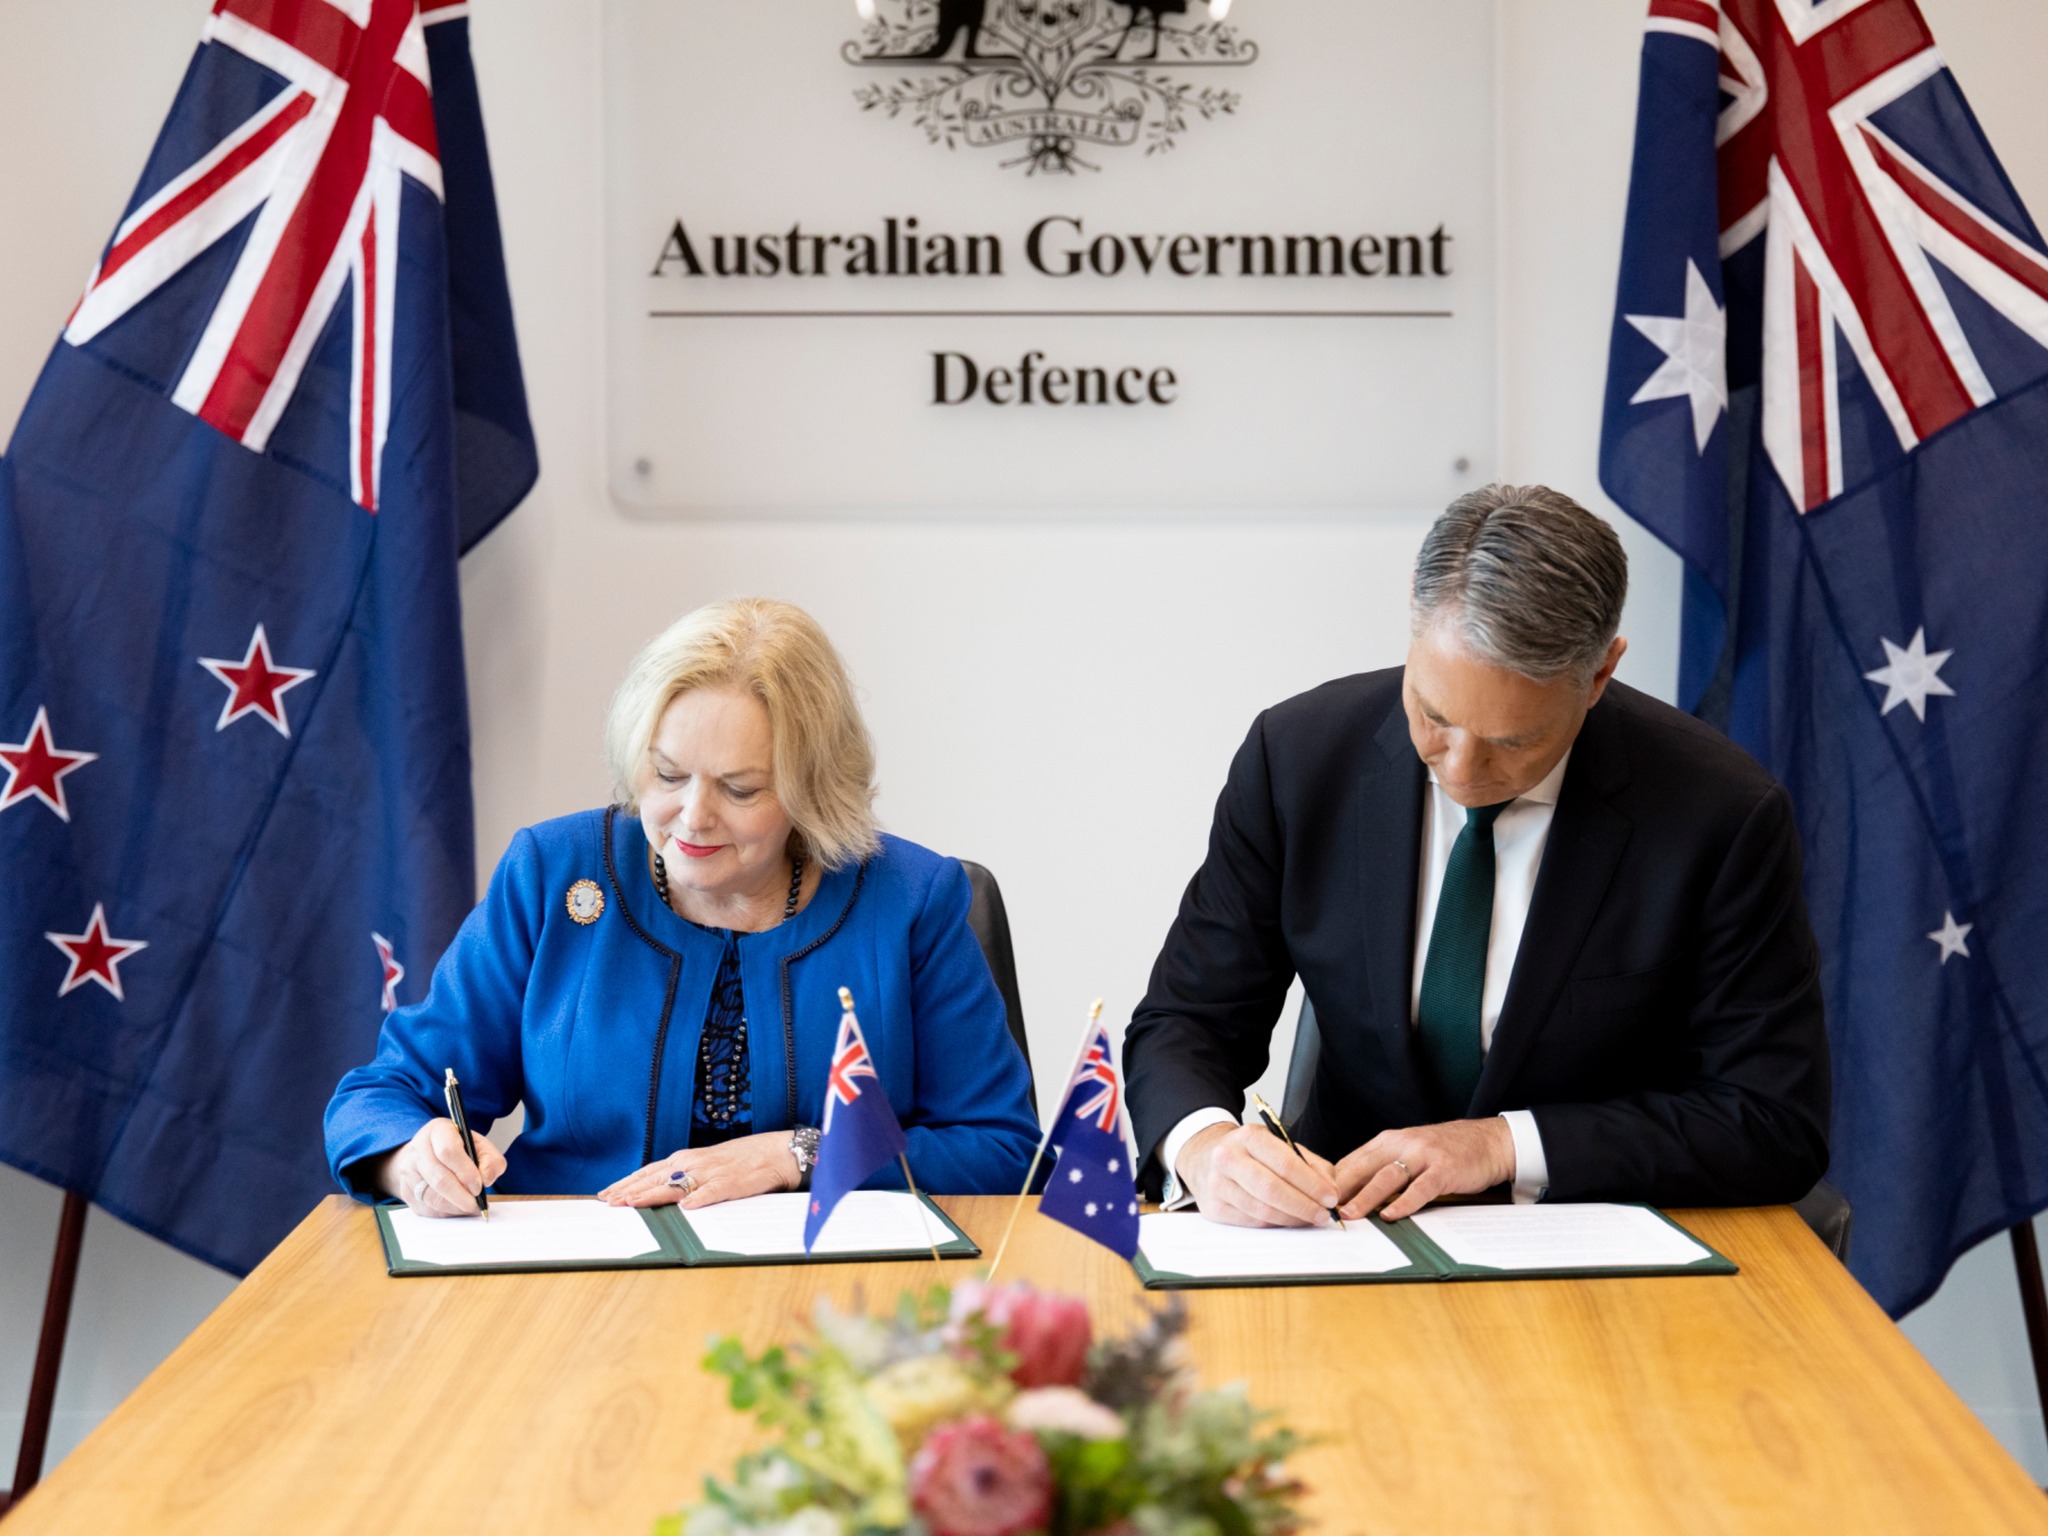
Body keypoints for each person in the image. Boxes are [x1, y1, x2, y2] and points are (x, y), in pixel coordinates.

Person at [1124, 484, 1830, 1228]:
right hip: (1343, 1230)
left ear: (1600, 675)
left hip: (1590, 1234)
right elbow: (1187, 1020)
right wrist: (1203, 1144)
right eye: (1433, 714)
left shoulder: (1720, 813)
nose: (1459, 769)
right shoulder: (1298, 759)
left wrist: (1502, 1145)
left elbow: (1773, 1120)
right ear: (1413, 612)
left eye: (1513, 742)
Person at [325, 599, 1040, 1217]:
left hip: (825, 1290)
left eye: (740, 789)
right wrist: (411, 1158)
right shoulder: (553, 871)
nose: (692, 818)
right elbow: (386, 1093)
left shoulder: (911, 899)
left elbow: (1001, 1147)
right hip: (580, 1283)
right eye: (668, 775)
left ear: (811, 788)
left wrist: (800, 1154)